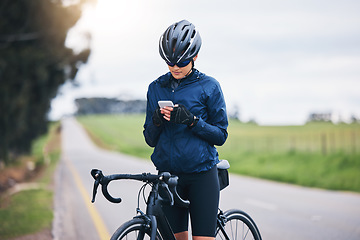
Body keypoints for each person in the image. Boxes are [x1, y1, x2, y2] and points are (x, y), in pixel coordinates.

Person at [143, 19, 228, 240]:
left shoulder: (209, 86)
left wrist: (192, 121)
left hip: (202, 176)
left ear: (195, 56)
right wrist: (157, 121)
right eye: (170, 62)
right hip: (169, 178)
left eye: (181, 62)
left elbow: (221, 135)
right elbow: (150, 139)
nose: (175, 67)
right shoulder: (155, 88)